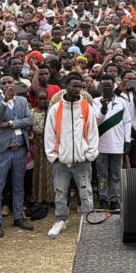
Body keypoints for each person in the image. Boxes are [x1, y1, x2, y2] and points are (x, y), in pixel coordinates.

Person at [44, 73, 99, 239]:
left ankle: (88, 220)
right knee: (60, 192)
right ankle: (60, 220)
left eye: (80, 86)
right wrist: (54, 155)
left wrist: (90, 154)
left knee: (86, 192)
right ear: (65, 87)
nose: (78, 89)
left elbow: (92, 132)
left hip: (82, 160)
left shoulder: (86, 107)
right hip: (61, 160)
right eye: (74, 86)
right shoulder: (56, 109)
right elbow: (50, 133)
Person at [0, 74, 35, 237]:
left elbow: (30, 120)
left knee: (18, 185)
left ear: (14, 83)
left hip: (20, 149)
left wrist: (11, 123)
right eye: (4, 83)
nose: (8, 85)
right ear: (0, 85)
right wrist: (4, 101)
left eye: (10, 82)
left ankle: (18, 217)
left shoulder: (22, 101)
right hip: (2, 150)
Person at [92, 73, 132, 211]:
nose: (107, 88)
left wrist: (127, 142)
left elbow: (127, 122)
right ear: (99, 87)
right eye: (104, 86)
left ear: (114, 85)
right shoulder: (95, 102)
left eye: (109, 85)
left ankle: (115, 199)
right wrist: (103, 109)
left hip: (118, 145)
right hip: (100, 145)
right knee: (102, 175)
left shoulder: (121, 102)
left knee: (116, 175)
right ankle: (103, 198)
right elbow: (95, 122)